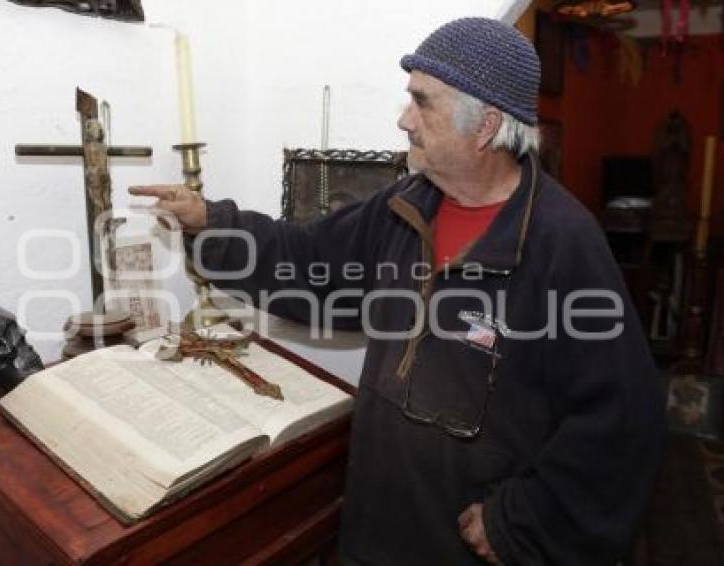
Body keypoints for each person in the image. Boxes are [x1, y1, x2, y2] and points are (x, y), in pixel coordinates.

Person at [130, 17, 665, 565]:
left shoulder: (562, 242)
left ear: (485, 126)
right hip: (376, 527)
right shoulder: (405, 208)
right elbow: (308, 262)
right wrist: (209, 224)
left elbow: (624, 422)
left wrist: (522, 523)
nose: (404, 120)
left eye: (422, 102)